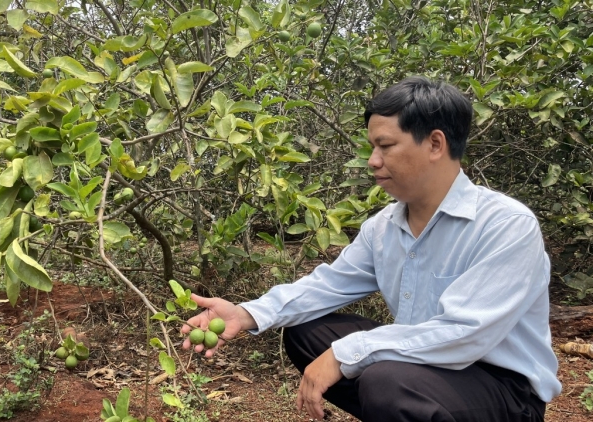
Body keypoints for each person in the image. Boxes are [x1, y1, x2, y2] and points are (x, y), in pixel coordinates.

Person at [181, 76, 561, 421]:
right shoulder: (384, 226)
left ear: (435, 143)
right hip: (423, 372)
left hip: (506, 393)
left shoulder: (506, 225)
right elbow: (327, 285)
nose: (373, 161)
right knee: (305, 330)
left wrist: (345, 353)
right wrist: (246, 314)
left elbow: (465, 334)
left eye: (385, 146)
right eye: (372, 147)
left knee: (387, 381)